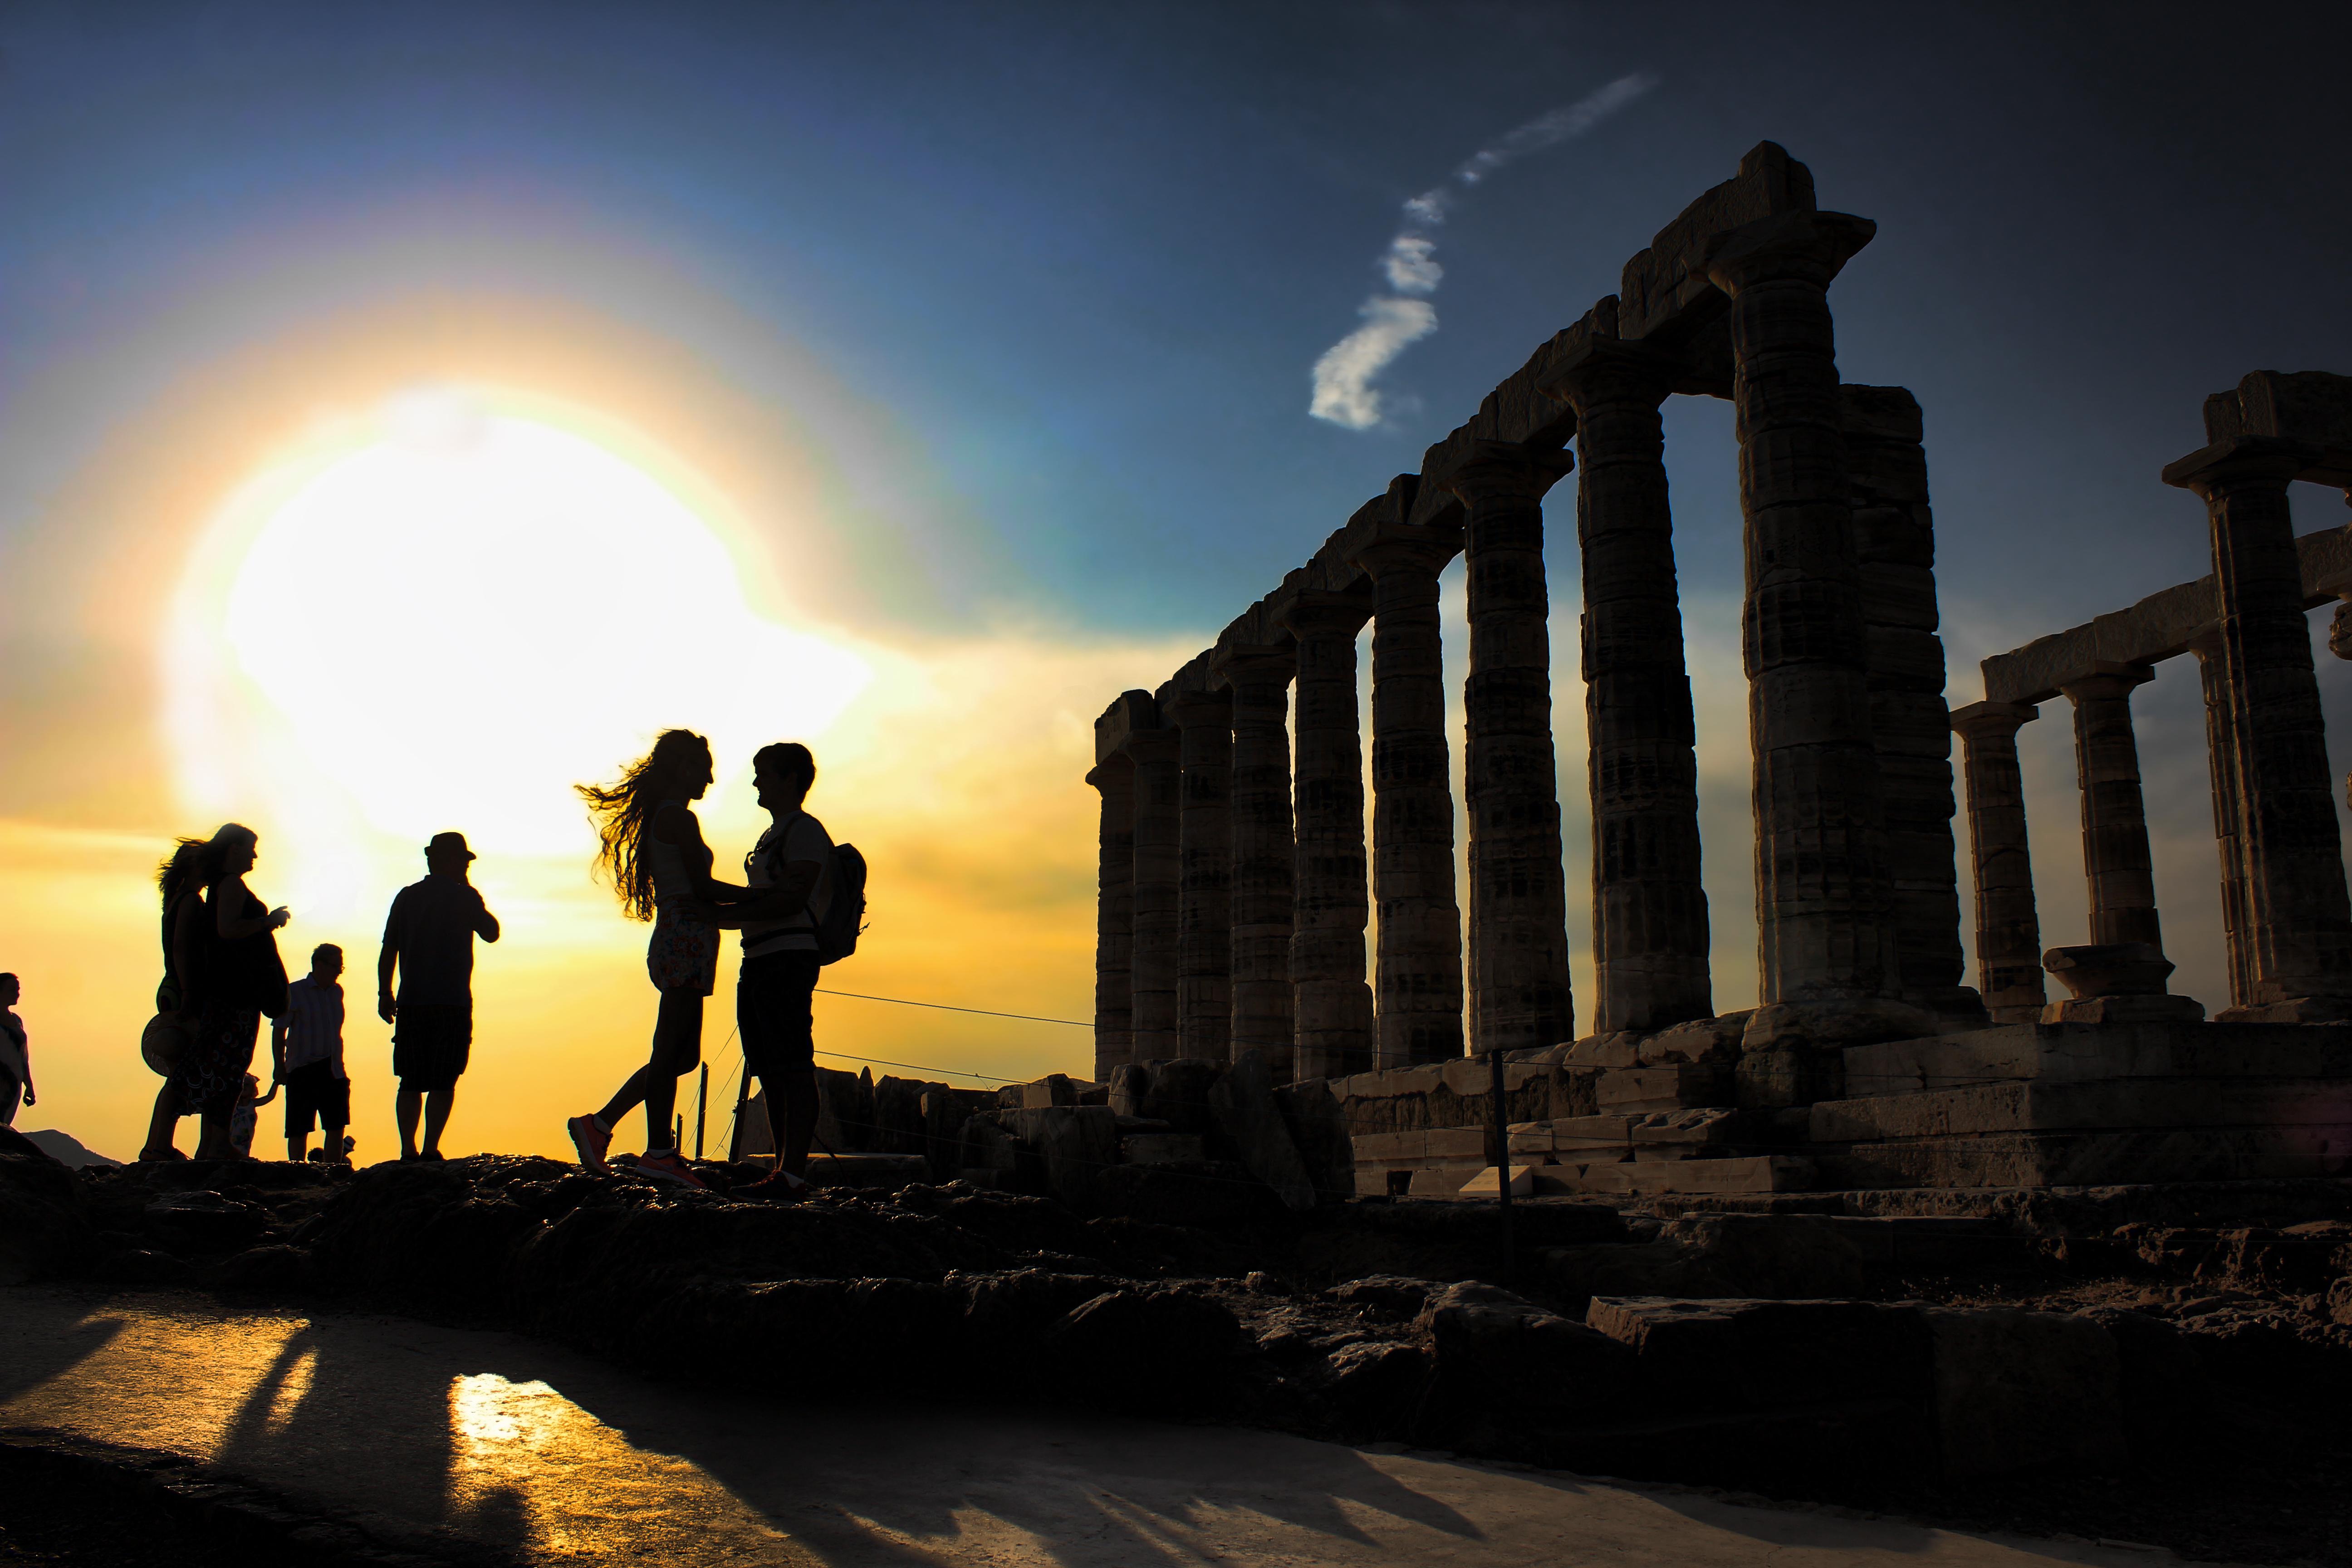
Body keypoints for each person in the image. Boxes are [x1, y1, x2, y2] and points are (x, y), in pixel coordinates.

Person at [567, 730, 725, 1190]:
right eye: (703, 767)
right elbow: (705, 889)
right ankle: (657, 1152)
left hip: (687, 935)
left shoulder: (670, 816)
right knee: (670, 1050)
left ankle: (600, 1126)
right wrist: (772, 899)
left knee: (684, 1055)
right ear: (682, 768)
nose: (711, 779)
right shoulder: (677, 819)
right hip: (685, 937)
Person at [706, 741, 833, 1200]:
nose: (756, 782)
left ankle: (792, 1172)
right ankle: (783, 1169)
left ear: (790, 779)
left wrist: (718, 913)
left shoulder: (804, 832)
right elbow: (769, 898)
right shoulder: (774, 834)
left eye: (764, 773)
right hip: (757, 957)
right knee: (770, 1068)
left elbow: (791, 899)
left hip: (787, 957)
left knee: (793, 1064)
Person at [379, 832, 499, 1162]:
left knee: (411, 1079)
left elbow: (390, 947)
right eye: (461, 860)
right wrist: (470, 892)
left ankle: (408, 1149)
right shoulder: (465, 897)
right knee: (444, 1078)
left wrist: (385, 992)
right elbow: (492, 933)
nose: (464, 866)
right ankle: (430, 1148)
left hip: (414, 1001)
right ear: (449, 861)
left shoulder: (407, 897)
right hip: (452, 1001)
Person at [178, 824, 291, 1161]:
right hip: (234, 993)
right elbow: (227, 929)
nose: (255, 855)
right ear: (234, 850)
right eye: (250, 847)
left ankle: (215, 1142)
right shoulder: (230, 885)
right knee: (227, 1065)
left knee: (227, 1066)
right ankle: (217, 1143)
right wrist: (265, 922)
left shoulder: (222, 886)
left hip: (233, 992)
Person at [138, 838, 209, 1161]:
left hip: (172, 987)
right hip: (182, 988)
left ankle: (157, 1144)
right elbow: (181, 948)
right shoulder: (191, 901)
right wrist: (189, 992)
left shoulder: (175, 899)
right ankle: (159, 1146)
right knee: (184, 1071)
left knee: (178, 1071)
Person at [274, 943, 350, 1164]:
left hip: (334, 1066)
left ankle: (333, 1170)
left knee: (336, 1124)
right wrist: (280, 1066)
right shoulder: (295, 992)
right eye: (336, 966)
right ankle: (298, 1171)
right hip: (303, 1067)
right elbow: (279, 1030)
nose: (339, 971)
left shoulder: (337, 992)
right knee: (299, 1126)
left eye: (341, 967)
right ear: (319, 965)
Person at [0, 975, 29, 1127]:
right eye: (12, 990)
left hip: (14, 1084)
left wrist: (29, 1086)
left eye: (18, 989)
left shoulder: (17, 1020)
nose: (17, 993)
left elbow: (23, 1058)